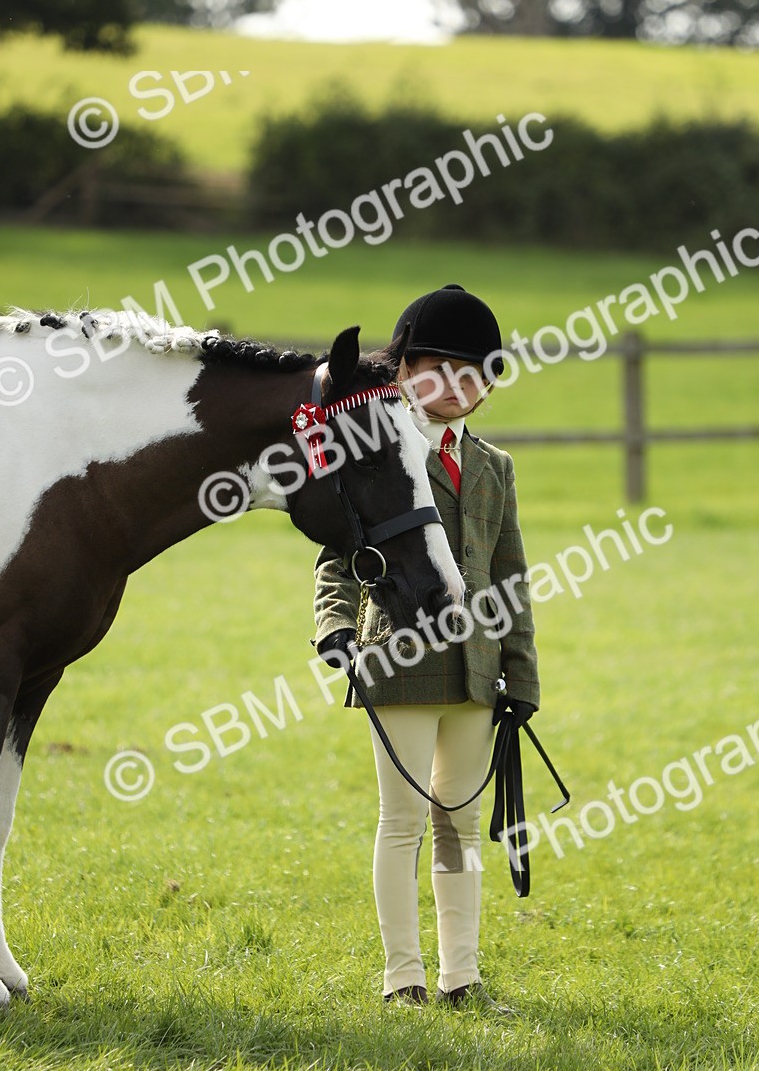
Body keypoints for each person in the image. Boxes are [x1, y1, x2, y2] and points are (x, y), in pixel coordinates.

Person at [313, 284, 540, 1014]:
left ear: (489, 388)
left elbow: (510, 577)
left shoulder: (494, 468)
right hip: (396, 663)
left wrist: (521, 672)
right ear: (401, 370)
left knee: (461, 823)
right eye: (435, 369)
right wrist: (333, 626)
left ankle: (461, 977)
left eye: (472, 374)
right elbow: (335, 558)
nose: (453, 387)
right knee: (403, 820)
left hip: (476, 670)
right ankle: (402, 977)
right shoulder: (380, 453)